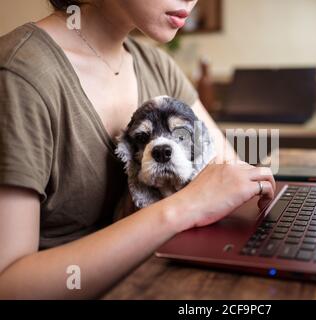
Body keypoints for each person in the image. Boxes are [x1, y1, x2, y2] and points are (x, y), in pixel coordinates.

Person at [0, 0, 275, 299]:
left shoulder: (156, 66)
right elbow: (9, 284)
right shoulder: (19, 76)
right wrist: (184, 208)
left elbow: (229, 177)